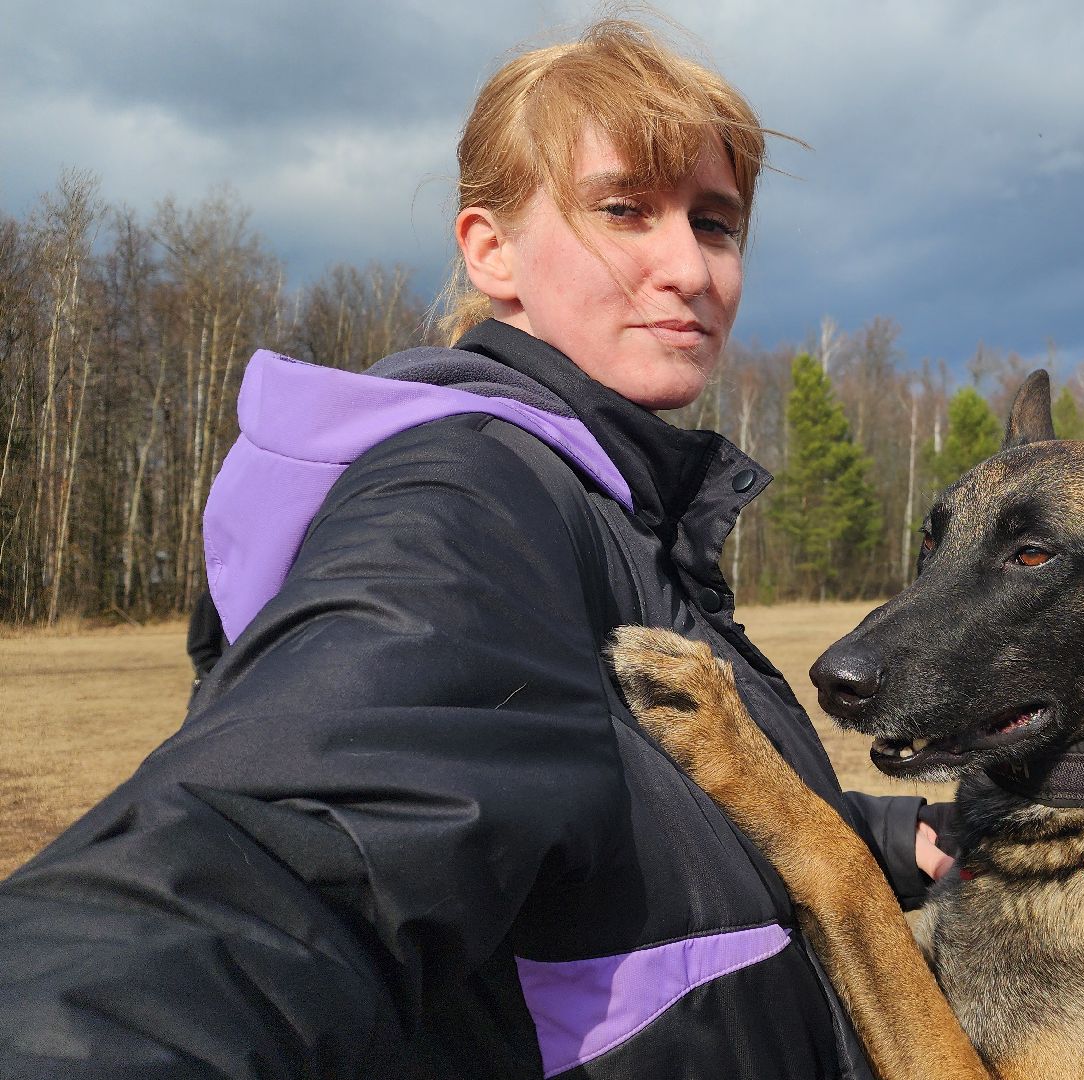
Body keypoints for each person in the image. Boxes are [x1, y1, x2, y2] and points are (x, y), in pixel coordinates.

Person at [0, 20, 947, 1078]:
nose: (688, 266)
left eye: (716, 224)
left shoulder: (624, 512)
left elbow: (629, 817)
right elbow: (270, 868)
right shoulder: (469, 491)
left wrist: (888, 829)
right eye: (624, 209)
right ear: (491, 251)